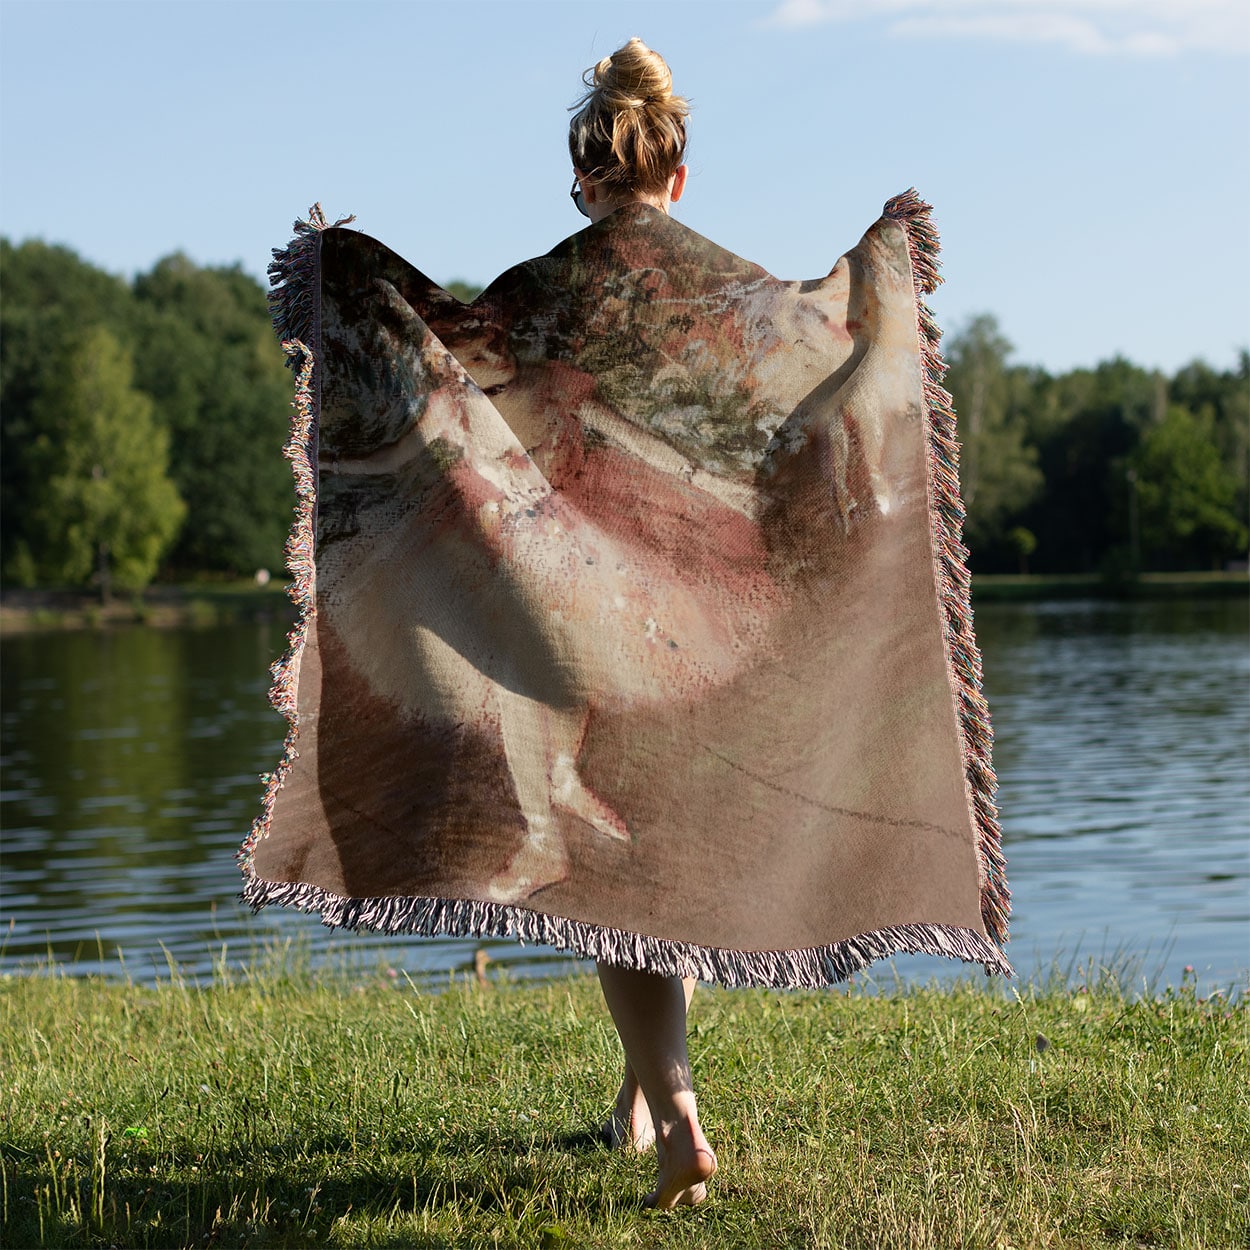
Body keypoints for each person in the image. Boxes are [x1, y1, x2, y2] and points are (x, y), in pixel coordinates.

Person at [566, 37, 717, 1212]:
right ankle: (633, 1099)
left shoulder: (556, 288)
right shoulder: (727, 293)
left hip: (594, 612)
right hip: (709, 617)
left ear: (586, 181)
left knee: (610, 874)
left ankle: (676, 1116)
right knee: (654, 861)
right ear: (676, 176)